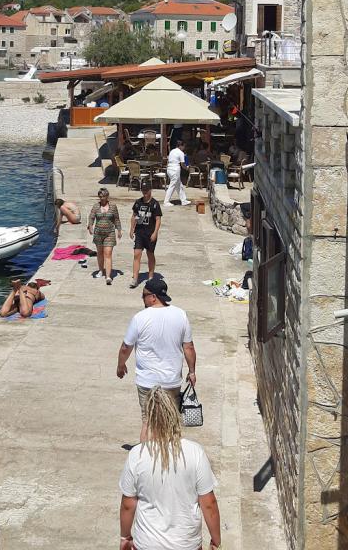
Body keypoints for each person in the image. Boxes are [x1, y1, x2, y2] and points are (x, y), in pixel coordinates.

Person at [119, 392, 221, 550]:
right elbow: (209, 504)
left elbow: (128, 504)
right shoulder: (195, 452)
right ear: (175, 415)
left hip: (147, 544)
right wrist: (216, 541)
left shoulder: (136, 455)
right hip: (187, 545)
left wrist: (125, 537)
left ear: (149, 421)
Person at [116, 279, 195, 425]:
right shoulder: (181, 315)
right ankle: (170, 447)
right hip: (171, 381)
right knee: (170, 423)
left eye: (144, 295)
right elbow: (188, 347)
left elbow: (126, 347)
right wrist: (192, 372)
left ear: (153, 297)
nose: (143, 298)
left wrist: (121, 366)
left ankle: (148, 448)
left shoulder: (140, 318)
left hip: (147, 381)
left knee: (148, 422)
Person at [129, 183, 162, 287]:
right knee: (136, 254)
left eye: (146, 190)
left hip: (150, 233)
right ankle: (135, 278)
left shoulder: (155, 204)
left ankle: (151, 276)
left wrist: (155, 232)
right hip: (139, 232)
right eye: (143, 190)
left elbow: (158, 219)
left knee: (150, 254)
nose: (145, 192)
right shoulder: (138, 203)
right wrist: (131, 228)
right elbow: (134, 216)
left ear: (150, 190)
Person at [86, 187, 121, 283]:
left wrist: (119, 230)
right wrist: (90, 226)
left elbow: (116, 219)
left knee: (108, 253)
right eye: (100, 196)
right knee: (100, 253)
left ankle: (108, 276)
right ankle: (101, 270)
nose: (102, 198)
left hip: (110, 233)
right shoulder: (96, 206)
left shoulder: (113, 206)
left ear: (107, 196)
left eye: (104, 196)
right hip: (98, 233)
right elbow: (91, 217)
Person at [163, 139, 188, 207]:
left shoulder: (172, 151)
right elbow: (183, 164)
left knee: (179, 185)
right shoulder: (181, 153)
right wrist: (187, 168)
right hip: (175, 169)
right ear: (180, 146)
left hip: (169, 169)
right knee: (172, 186)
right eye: (184, 146)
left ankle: (183, 200)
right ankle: (166, 201)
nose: (184, 148)